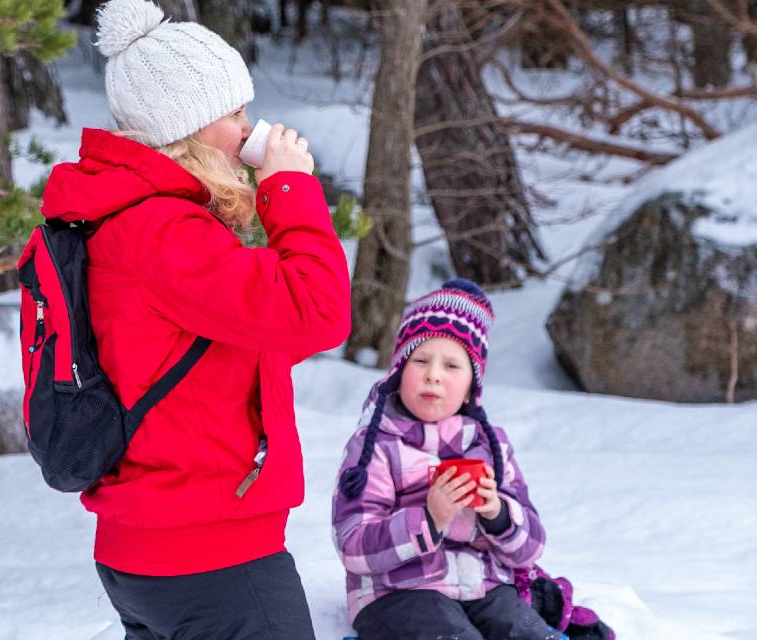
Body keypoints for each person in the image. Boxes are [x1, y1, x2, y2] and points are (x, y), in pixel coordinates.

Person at [39, 0, 350, 636]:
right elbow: (318, 312)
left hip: (150, 550)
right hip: (212, 558)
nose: (246, 128)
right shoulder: (162, 231)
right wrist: (288, 188)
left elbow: (218, 349)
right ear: (188, 124)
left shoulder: (122, 218)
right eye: (234, 112)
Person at [332, 280, 559, 639]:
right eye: (420, 360)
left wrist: (496, 512)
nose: (433, 374)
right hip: (398, 594)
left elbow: (531, 549)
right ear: (398, 371)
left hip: (483, 588)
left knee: (531, 633)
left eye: (452, 365)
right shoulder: (375, 445)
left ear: (472, 385)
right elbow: (353, 547)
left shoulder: (492, 447)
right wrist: (429, 519)